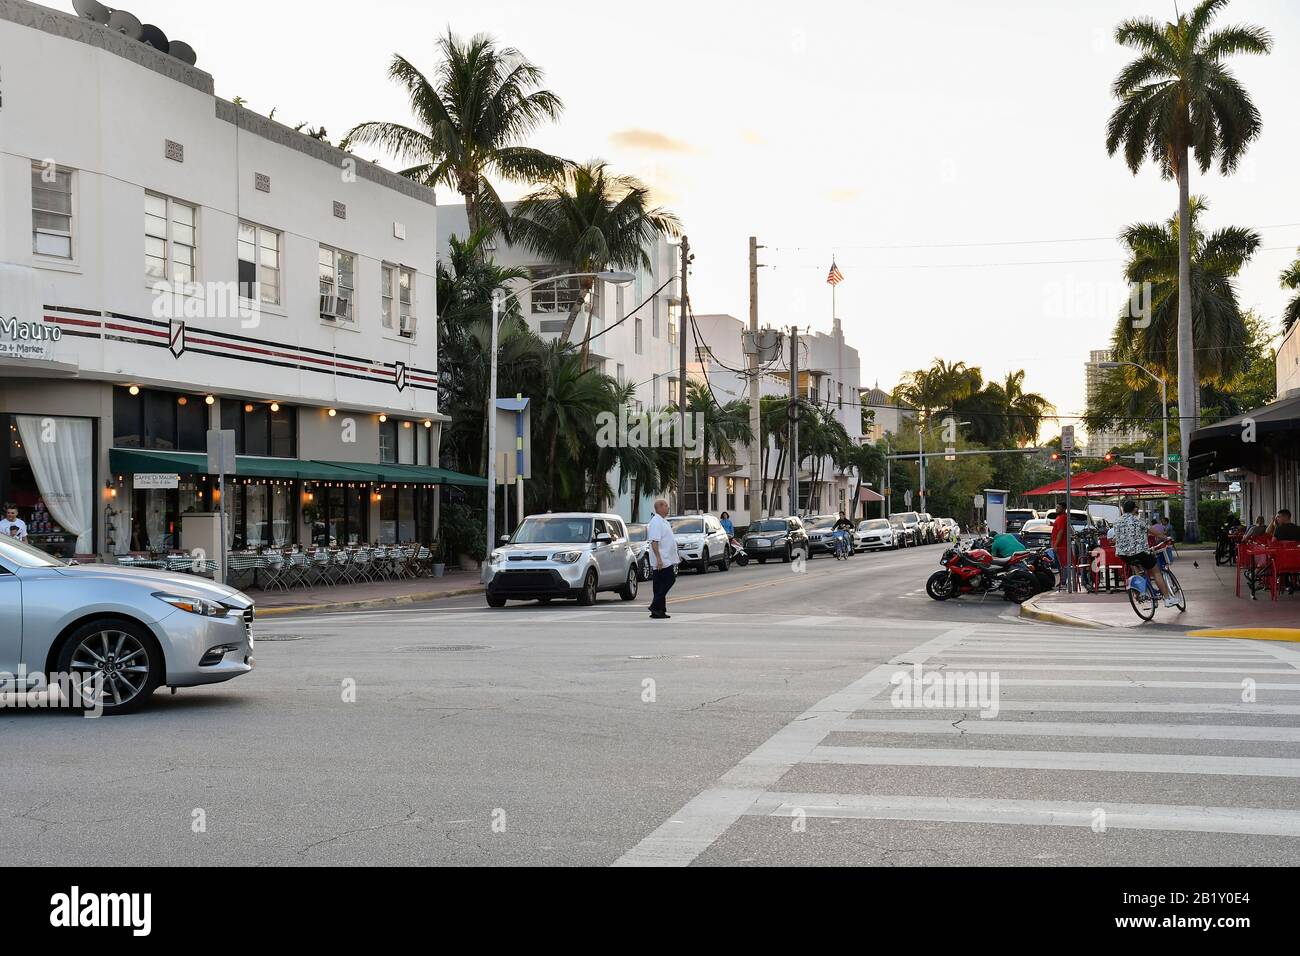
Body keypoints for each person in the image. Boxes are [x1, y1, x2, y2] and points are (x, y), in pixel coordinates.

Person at [1113, 498, 1175, 607]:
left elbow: (1115, 538)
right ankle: (1167, 599)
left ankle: (1144, 593)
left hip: (1123, 555)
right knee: (1156, 571)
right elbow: (1153, 532)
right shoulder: (1138, 520)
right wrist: (1165, 538)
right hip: (1140, 552)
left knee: (1136, 566)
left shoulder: (1117, 522)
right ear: (1134, 509)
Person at [646, 498, 679, 620]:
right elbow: (654, 541)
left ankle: (659, 611)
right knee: (670, 580)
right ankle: (655, 606)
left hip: (666, 558)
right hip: (662, 559)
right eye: (665, 505)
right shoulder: (656, 522)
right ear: (659, 507)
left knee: (659, 586)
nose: (668, 507)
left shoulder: (662, 521)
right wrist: (659, 559)